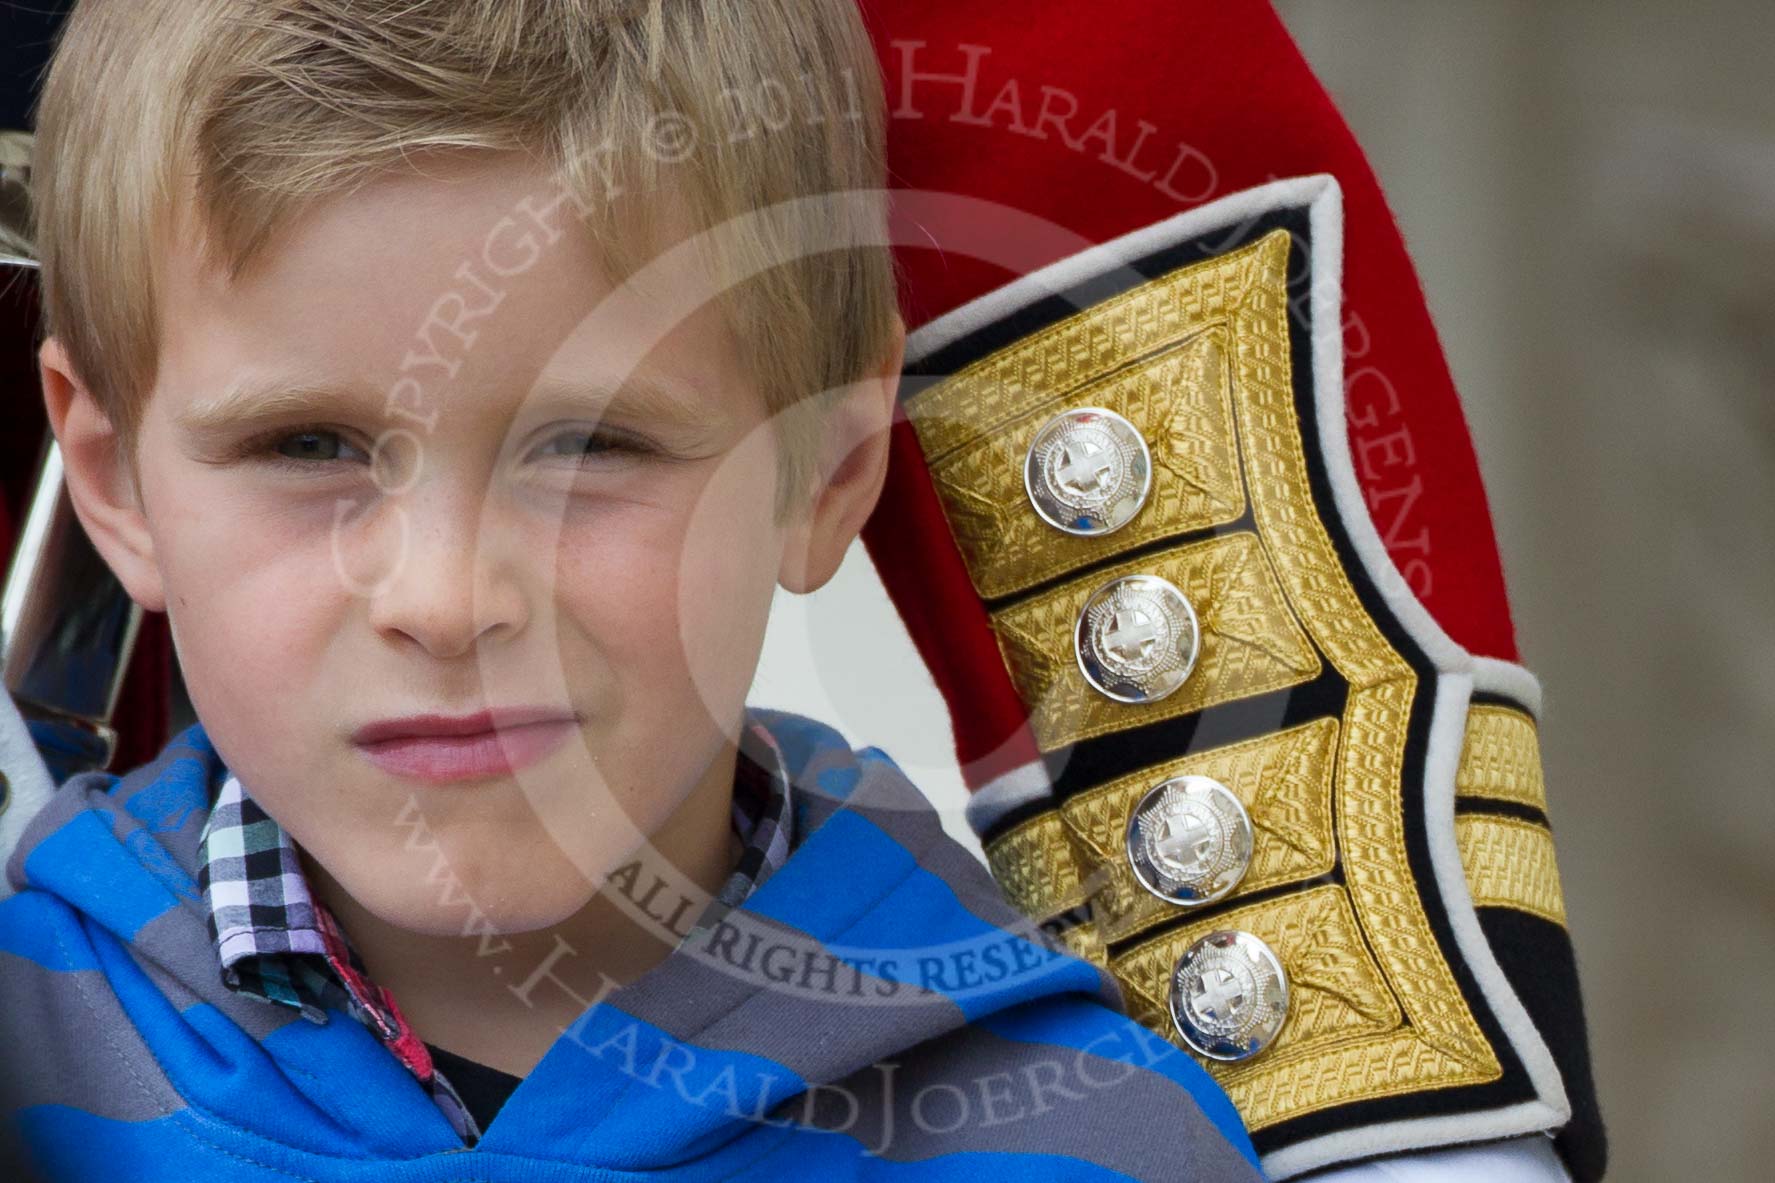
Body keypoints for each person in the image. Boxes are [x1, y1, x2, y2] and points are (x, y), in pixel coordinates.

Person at [0, 1, 1262, 1180]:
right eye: (308, 447)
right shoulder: (21, 1064)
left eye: (592, 444)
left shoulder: (1101, 1140)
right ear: (113, 481)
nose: (445, 601)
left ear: (827, 467)